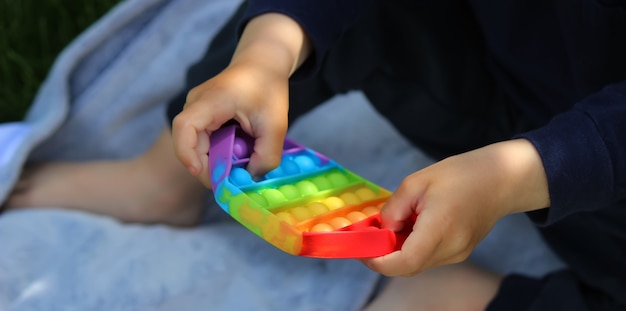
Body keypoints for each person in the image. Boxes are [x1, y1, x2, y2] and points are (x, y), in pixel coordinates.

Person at [6, 0, 626, 309]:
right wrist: (267, 53)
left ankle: (460, 297)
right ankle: (161, 179)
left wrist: (521, 174)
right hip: (502, 75)